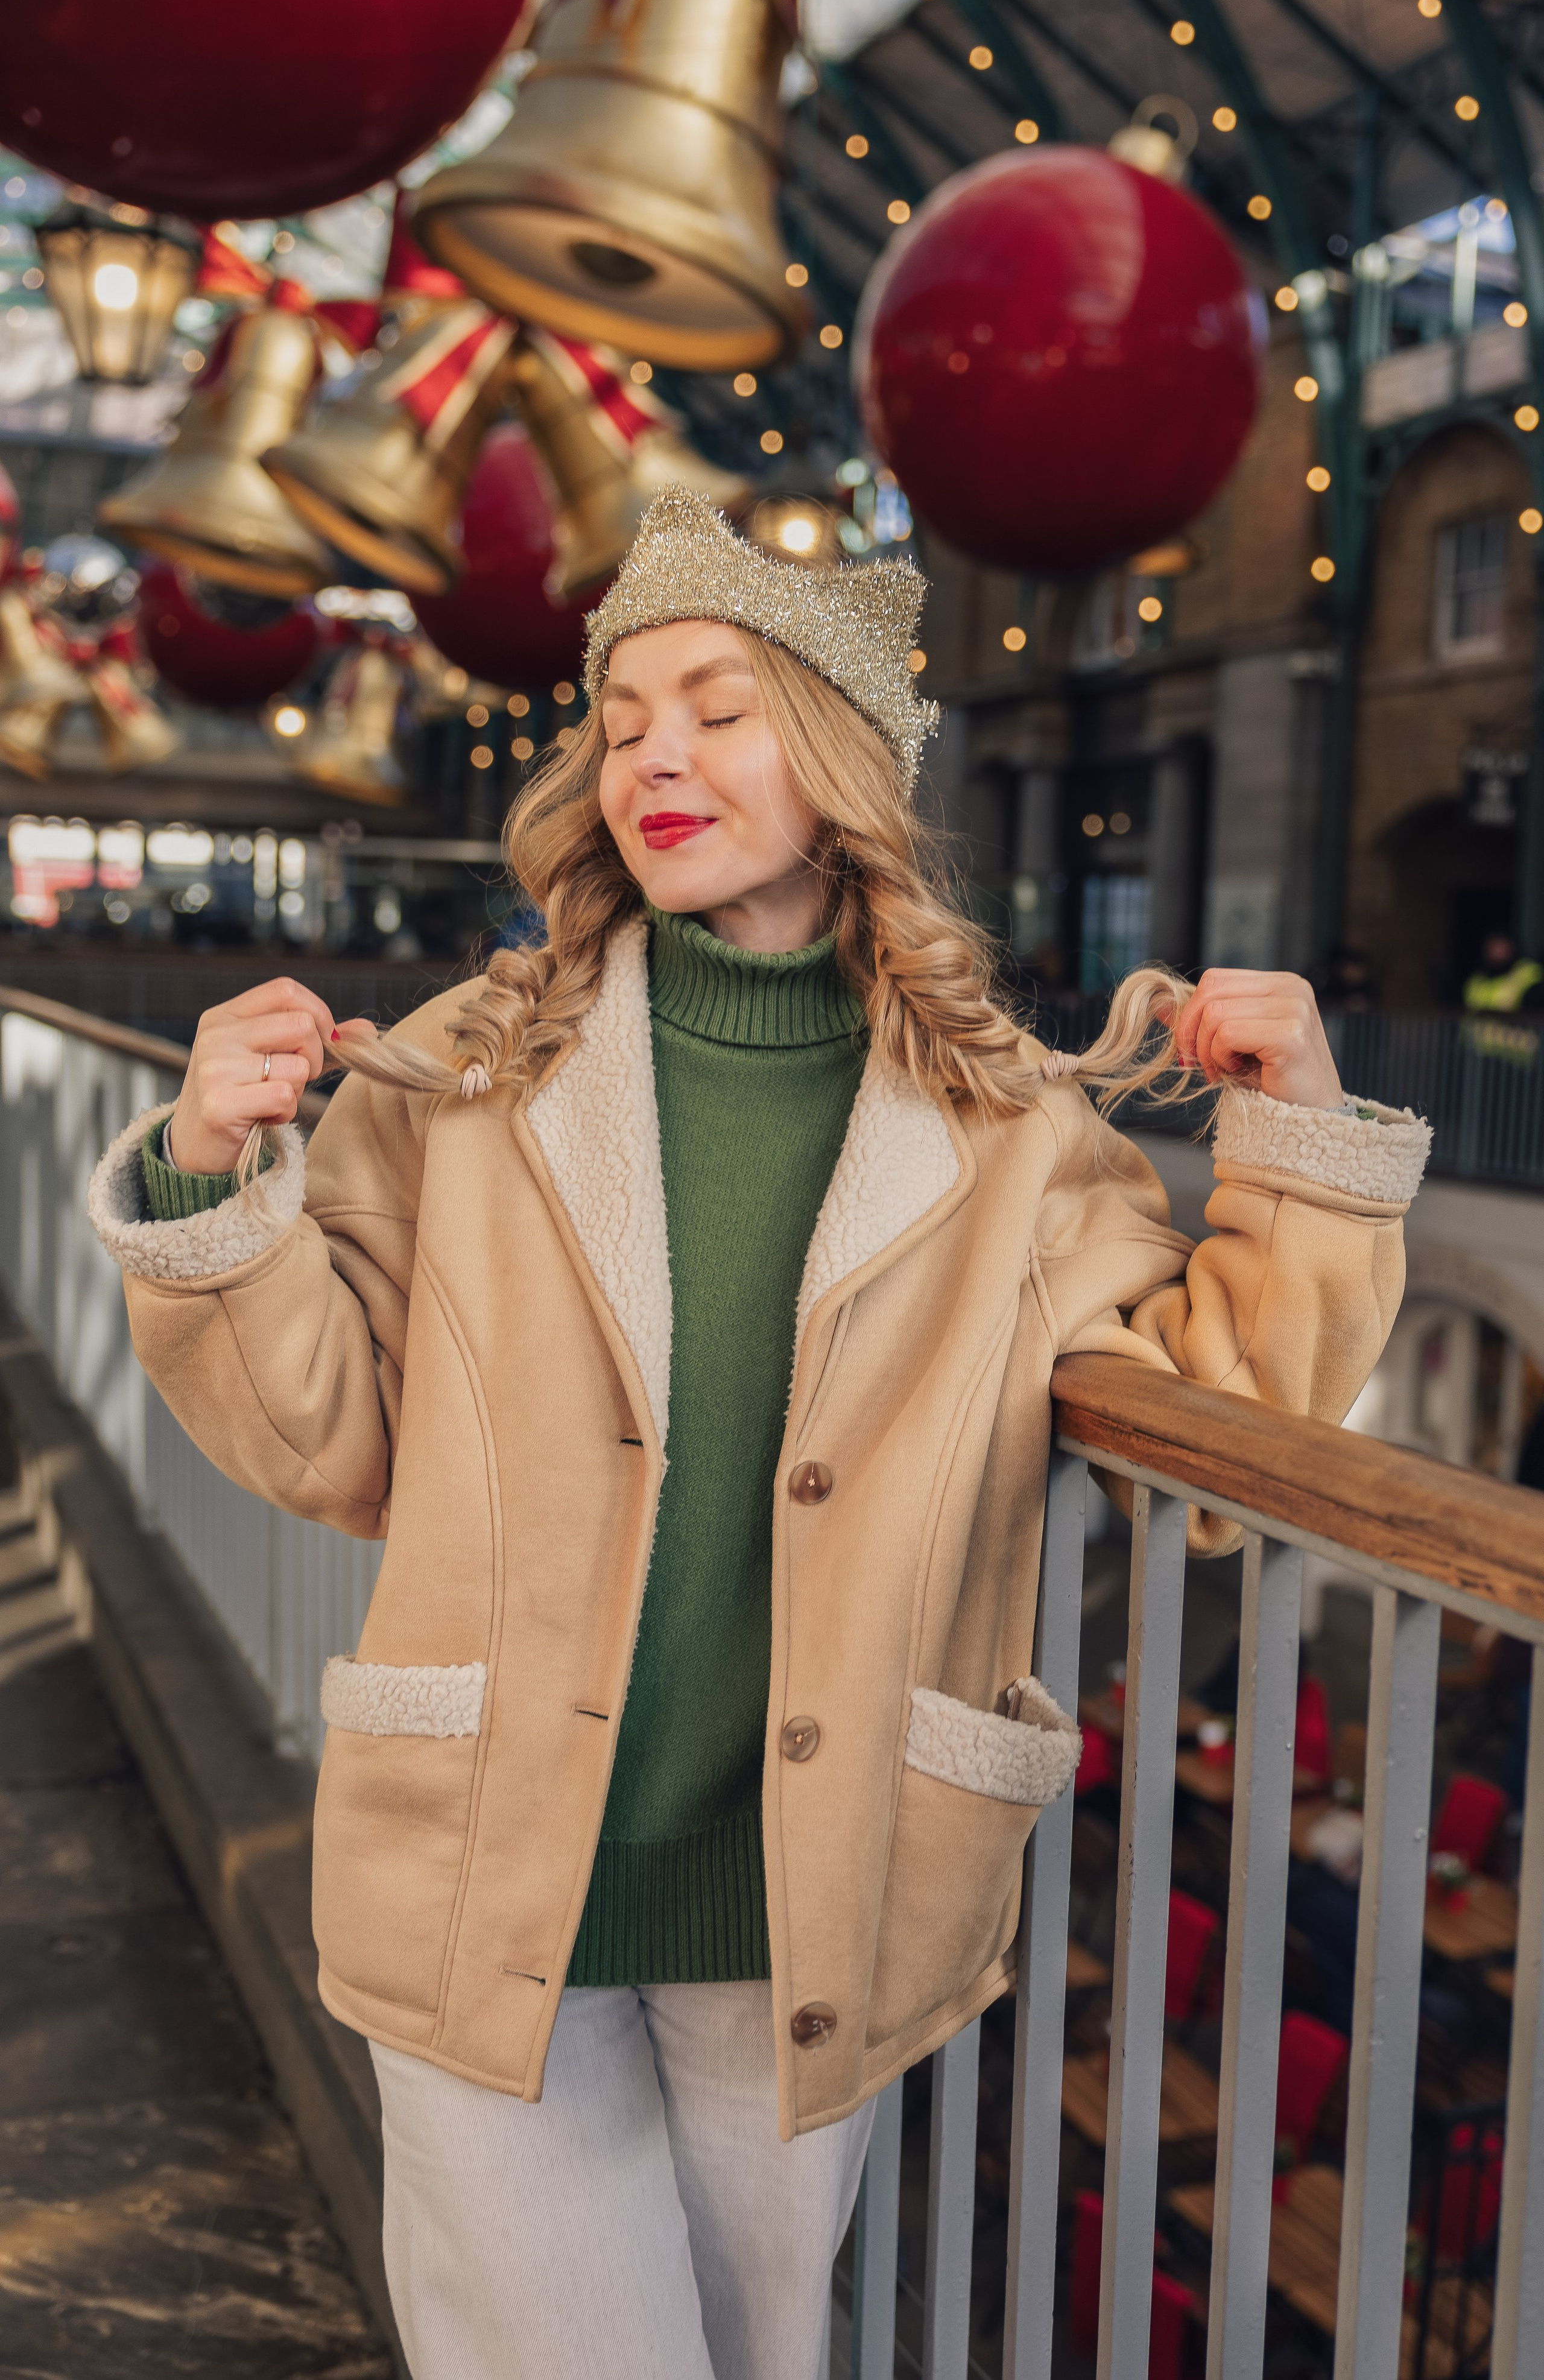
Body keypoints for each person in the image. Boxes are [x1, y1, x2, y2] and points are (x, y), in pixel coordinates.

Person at [87, 489, 1430, 2380]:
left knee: (759, 2351)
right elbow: (327, 1441)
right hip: (490, 1856)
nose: (654, 758)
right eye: (621, 720)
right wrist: (210, 1173)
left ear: (843, 761)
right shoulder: (480, 1068)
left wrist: (1296, 1132)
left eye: (716, 707)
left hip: (813, 1883)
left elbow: (1244, 1410)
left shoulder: (1011, 1135)